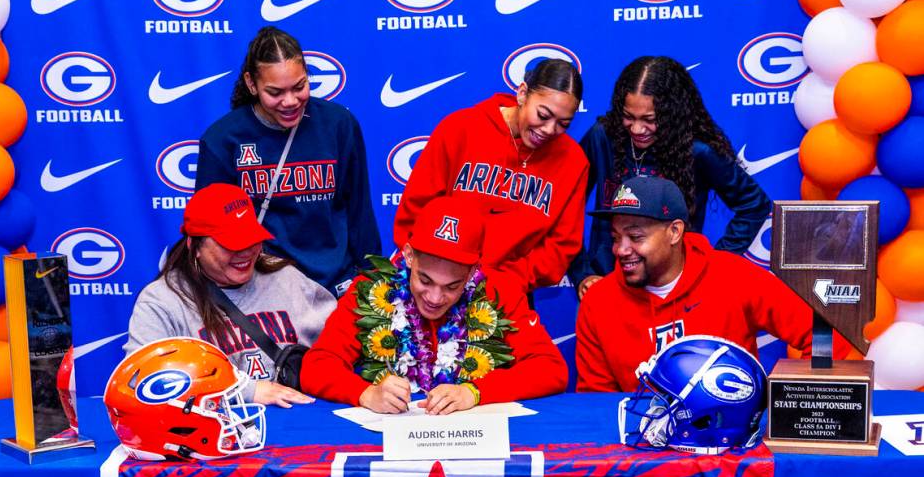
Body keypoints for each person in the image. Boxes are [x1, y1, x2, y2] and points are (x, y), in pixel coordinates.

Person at [303, 196, 568, 413]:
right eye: (425, 280)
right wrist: (365, 393)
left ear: (473, 271)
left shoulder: (499, 292)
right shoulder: (369, 289)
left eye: (452, 286)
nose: (434, 297)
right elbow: (317, 366)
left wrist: (475, 392)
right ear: (408, 255)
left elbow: (550, 368)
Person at [576, 176, 827, 393]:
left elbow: (823, 333)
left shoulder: (733, 276)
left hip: (730, 438)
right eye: (615, 237)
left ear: (674, 232)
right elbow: (596, 402)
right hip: (641, 440)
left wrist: (792, 406)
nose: (621, 250)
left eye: (635, 237)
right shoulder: (599, 301)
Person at [195, 26, 381, 298]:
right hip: (263, 290)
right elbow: (210, 230)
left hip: (334, 287)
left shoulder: (339, 125)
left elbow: (359, 213)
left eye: (299, 86)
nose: (291, 101)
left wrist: (372, 283)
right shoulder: (222, 139)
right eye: (275, 92)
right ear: (251, 84)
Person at [570, 55, 771, 298]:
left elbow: (754, 204)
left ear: (671, 114)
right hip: (609, 285)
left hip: (676, 289)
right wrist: (582, 273)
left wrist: (715, 265)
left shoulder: (698, 151)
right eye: (628, 116)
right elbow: (564, 205)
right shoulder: (602, 137)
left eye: (650, 120)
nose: (636, 129)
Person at [126, 183, 336, 407]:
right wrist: (247, 391)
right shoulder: (162, 300)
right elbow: (142, 380)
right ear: (194, 245)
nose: (245, 252)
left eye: (251, 239)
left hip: (298, 425)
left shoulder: (286, 278)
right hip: (213, 431)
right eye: (231, 244)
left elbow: (340, 344)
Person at [392, 59, 587, 295]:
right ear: (523, 93)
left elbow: (561, 246)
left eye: (563, 124)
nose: (549, 129)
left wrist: (507, 281)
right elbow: (414, 212)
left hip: (507, 294)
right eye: (543, 115)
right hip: (439, 288)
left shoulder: (573, 161)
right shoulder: (459, 129)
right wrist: (437, 275)